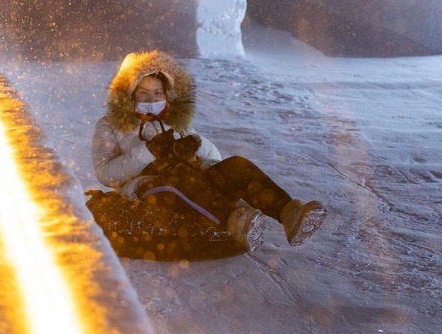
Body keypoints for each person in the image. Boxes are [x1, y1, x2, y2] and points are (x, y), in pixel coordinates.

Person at [92, 51, 326, 252]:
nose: (151, 99)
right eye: (143, 93)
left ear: (167, 95)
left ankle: (289, 213)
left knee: (237, 166)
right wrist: (148, 152)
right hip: (147, 185)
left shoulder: (174, 121)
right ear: (129, 94)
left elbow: (214, 158)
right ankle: (233, 221)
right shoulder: (110, 126)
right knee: (179, 180)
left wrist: (195, 145)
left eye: (157, 93)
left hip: (193, 174)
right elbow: (105, 174)